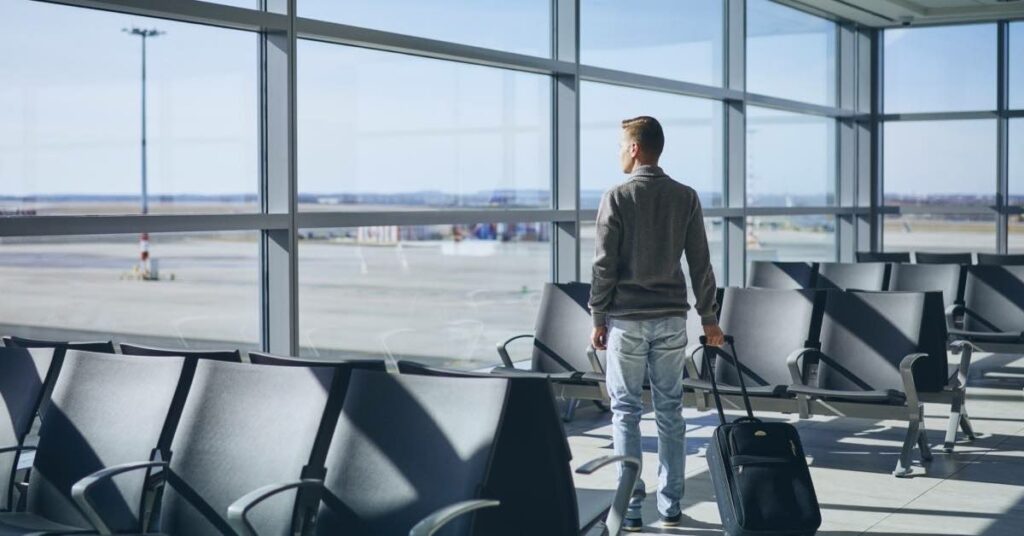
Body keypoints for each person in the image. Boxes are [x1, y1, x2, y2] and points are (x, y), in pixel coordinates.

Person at [589, 115, 724, 531]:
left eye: (619, 145)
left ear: (634, 148)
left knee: (626, 411)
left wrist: (597, 315)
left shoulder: (617, 196)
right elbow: (700, 264)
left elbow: (603, 266)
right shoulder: (686, 196)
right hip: (670, 320)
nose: (617, 153)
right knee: (670, 412)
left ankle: (629, 506)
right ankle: (671, 504)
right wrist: (709, 319)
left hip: (627, 321)